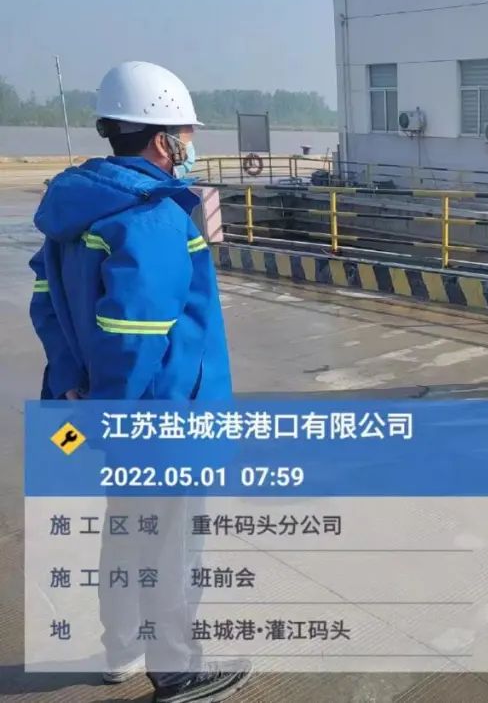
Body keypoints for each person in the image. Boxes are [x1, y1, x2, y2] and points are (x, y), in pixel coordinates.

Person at [29, 61, 250, 703]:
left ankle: (122, 647)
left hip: (106, 409)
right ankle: (177, 670)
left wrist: (74, 386)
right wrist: (113, 407)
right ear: (163, 140)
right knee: (172, 546)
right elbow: (137, 331)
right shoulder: (152, 216)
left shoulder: (78, 206)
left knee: (127, 534)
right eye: (188, 133)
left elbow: (47, 306)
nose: (192, 145)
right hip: (163, 420)